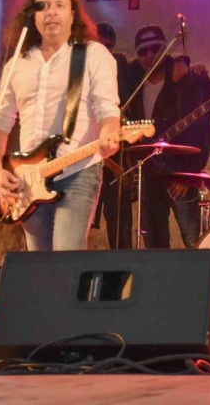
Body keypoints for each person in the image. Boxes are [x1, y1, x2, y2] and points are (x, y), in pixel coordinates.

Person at [0, 0, 121, 251]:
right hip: (29, 178)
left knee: (65, 256)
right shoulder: (17, 64)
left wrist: (110, 133)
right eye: (43, 6)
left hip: (78, 169)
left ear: (73, 15)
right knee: (39, 265)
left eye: (59, 5)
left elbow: (107, 110)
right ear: (32, 16)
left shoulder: (93, 54)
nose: (51, 12)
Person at [124, 25, 210, 248]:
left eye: (155, 49)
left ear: (165, 50)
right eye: (143, 51)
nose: (149, 55)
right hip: (149, 174)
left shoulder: (183, 80)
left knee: (194, 240)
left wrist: (190, 174)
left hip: (179, 172)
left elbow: (202, 130)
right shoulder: (133, 82)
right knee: (153, 242)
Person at [93, 21, 134, 249]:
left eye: (108, 46)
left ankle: (122, 261)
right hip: (82, 151)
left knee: (118, 214)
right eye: (98, 44)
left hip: (113, 153)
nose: (103, 50)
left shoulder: (120, 65)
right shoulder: (77, 67)